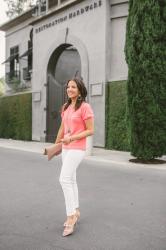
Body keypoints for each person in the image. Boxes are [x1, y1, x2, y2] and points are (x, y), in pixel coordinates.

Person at [55, 77, 94, 237]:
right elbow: (63, 127)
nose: (69, 89)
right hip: (65, 147)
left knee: (63, 179)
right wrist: (56, 144)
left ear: (79, 90)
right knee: (71, 179)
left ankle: (71, 216)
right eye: (68, 86)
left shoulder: (85, 107)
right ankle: (76, 210)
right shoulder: (65, 107)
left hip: (77, 148)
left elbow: (90, 130)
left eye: (73, 87)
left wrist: (73, 137)